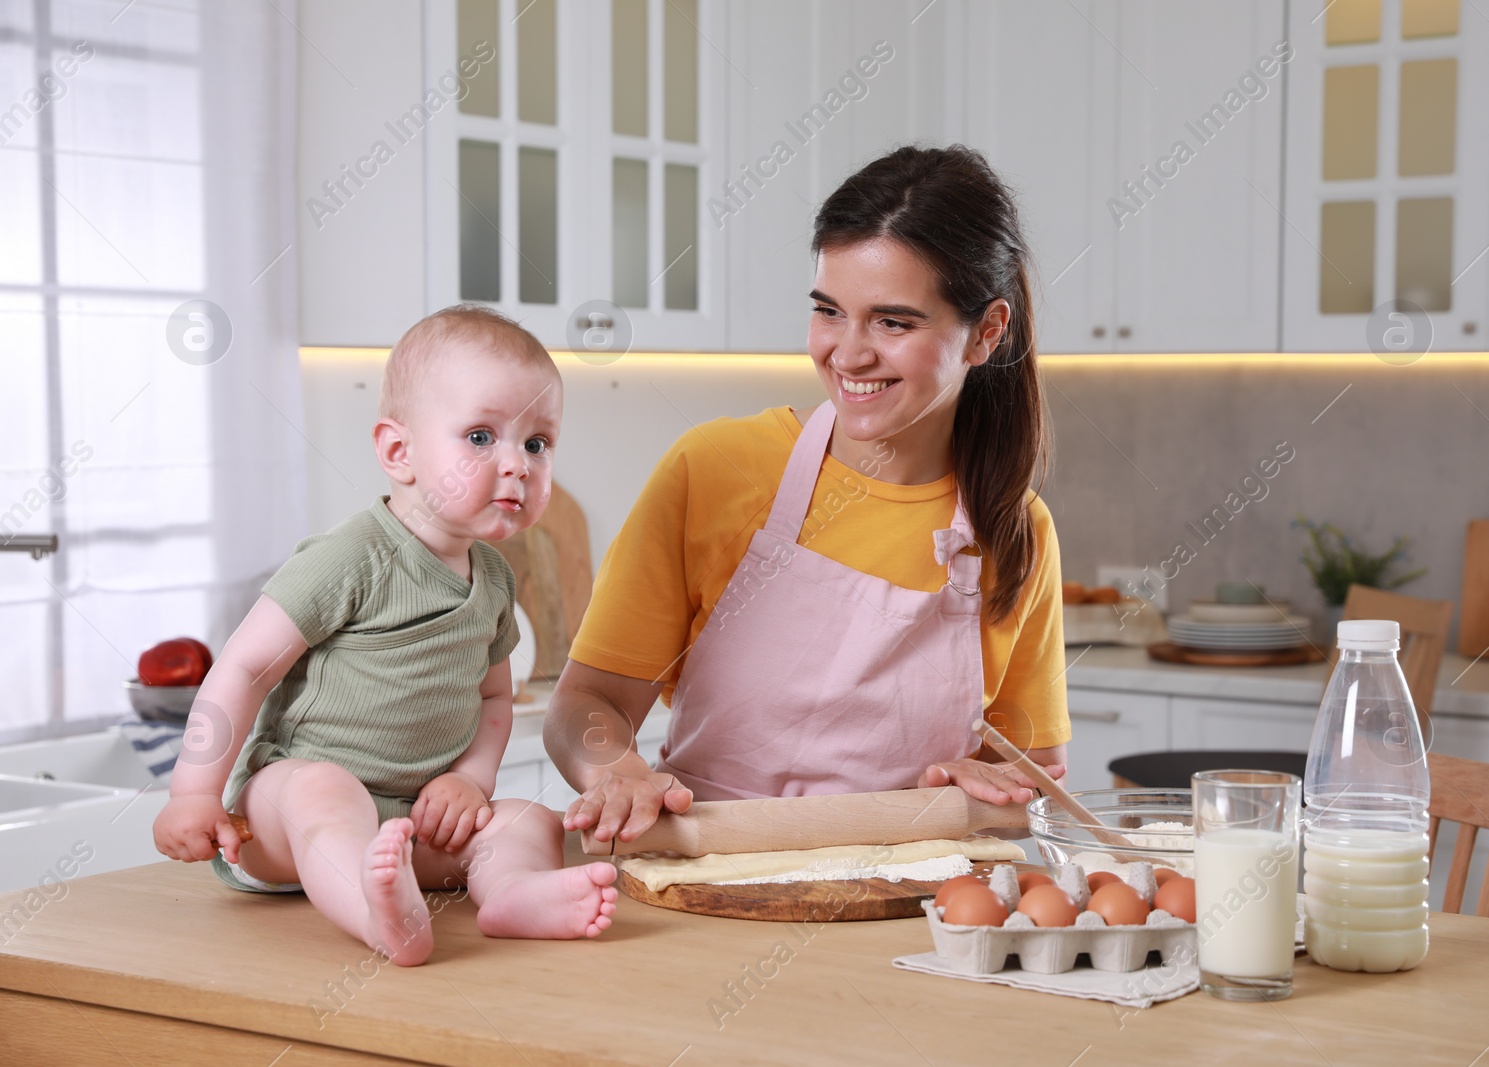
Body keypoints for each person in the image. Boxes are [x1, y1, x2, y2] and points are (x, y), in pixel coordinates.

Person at [546, 145, 1070, 848]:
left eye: (893, 322)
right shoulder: (716, 469)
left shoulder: (1016, 531)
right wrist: (613, 767)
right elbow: (586, 703)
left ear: (986, 331)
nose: (847, 353)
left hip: (896, 910)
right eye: (830, 311)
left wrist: (982, 786)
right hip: (699, 883)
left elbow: (1033, 778)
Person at [152, 305, 617, 966]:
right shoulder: (351, 556)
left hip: (407, 828)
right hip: (281, 817)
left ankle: (512, 893)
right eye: (482, 436)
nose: (518, 463)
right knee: (324, 791)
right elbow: (244, 668)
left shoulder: (494, 581)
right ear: (399, 452)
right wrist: (194, 794)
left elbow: (493, 700)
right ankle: (376, 915)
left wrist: (472, 782)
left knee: (527, 819)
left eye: (537, 442)